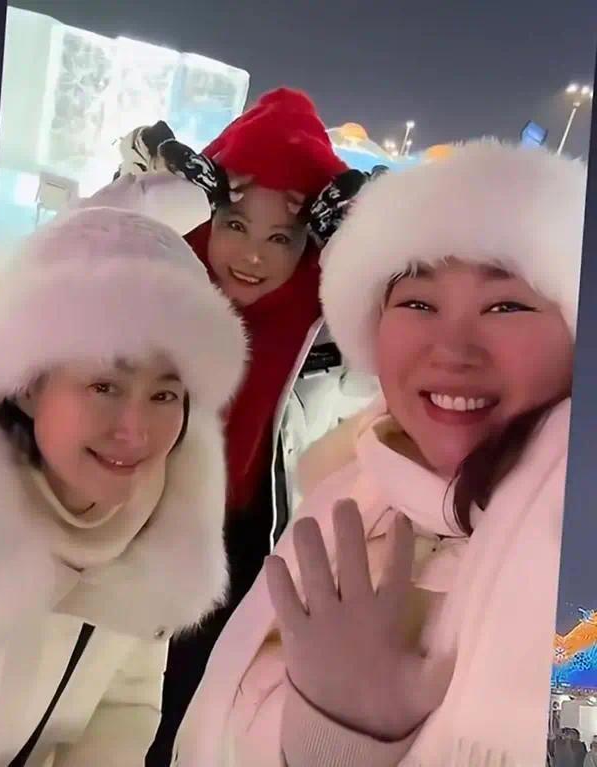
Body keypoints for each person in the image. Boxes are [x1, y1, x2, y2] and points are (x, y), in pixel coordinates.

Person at [171, 139, 586, 767]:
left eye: (506, 305)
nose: (452, 351)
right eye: (417, 302)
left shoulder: (575, 578)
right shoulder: (346, 502)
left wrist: (340, 744)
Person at [80, 87, 371, 761]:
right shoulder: (156, 280)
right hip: (127, 530)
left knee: (184, 723)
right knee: (97, 708)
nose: (253, 256)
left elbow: (403, 356)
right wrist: (158, 193)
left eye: (281, 237)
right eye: (235, 224)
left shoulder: (329, 325)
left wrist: (367, 243)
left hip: (240, 554)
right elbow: (66, 261)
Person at [0, 204, 246, 766]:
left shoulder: (162, 533)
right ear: (27, 385)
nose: (134, 432)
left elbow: (128, 704)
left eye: (164, 395)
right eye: (105, 386)